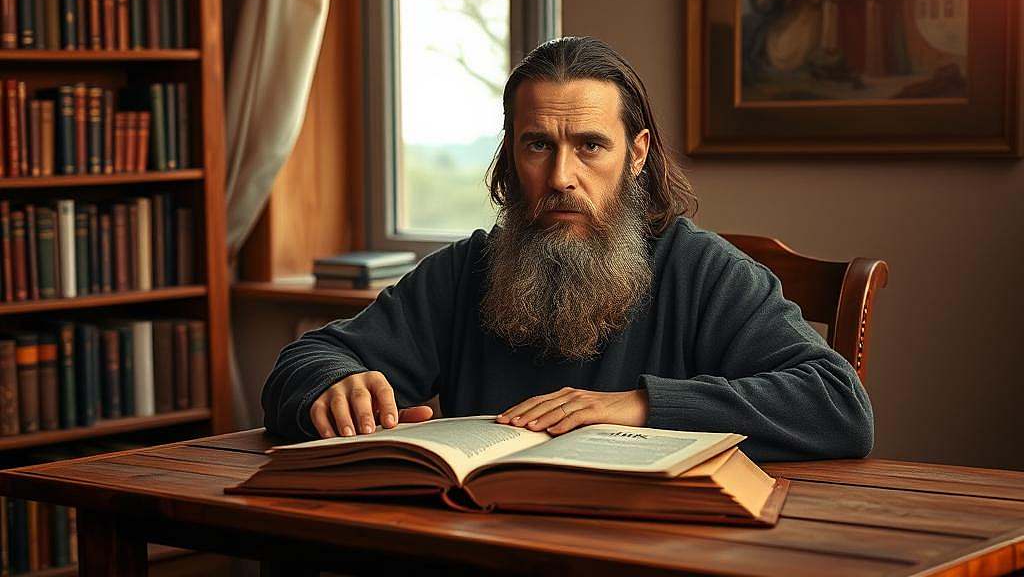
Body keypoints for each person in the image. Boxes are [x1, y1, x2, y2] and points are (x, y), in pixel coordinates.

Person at [261, 36, 874, 462]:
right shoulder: (465, 272)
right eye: (538, 145)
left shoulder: (705, 273)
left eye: (589, 146)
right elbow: (307, 359)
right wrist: (332, 386)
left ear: (636, 154)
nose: (560, 177)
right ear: (511, 155)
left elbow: (838, 404)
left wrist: (639, 405)